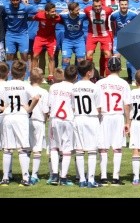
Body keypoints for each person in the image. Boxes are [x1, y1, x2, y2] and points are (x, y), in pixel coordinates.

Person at [96, 57, 131, 185]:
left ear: (108, 68)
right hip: (117, 116)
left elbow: (97, 104)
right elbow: (127, 105)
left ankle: (104, 176)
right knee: (117, 148)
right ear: (120, 69)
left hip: (104, 116)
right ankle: (116, 177)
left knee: (103, 148)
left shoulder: (100, 83)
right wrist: (128, 122)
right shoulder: (124, 84)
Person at [72, 60, 102, 188]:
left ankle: (82, 179)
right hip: (91, 119)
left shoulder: (74, 87)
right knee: (91, 151)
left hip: (78, 118)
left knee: (79, 150)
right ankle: (90, 179)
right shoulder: (95, 87)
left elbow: (72, 107)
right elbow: (99, 108)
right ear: (89, 73)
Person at [47, 64, 77, 186]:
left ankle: (54, 175)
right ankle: (63, 177)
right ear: (75, 77)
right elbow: (75, 107)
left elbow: (49, 104)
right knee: (67, 149)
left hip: (54, 119)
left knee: (54, 147)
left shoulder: (53, 87)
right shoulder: (74, 89)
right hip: (68, 119)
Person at [27, 68, 49, 185]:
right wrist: (46, 119)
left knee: (27, 149)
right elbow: (46, 110)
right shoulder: (44, 92)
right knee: (37, 148)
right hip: (39, 121)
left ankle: (25, 173)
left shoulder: (26, 89)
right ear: (41, 79)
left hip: (26, 121)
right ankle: (34, 175)